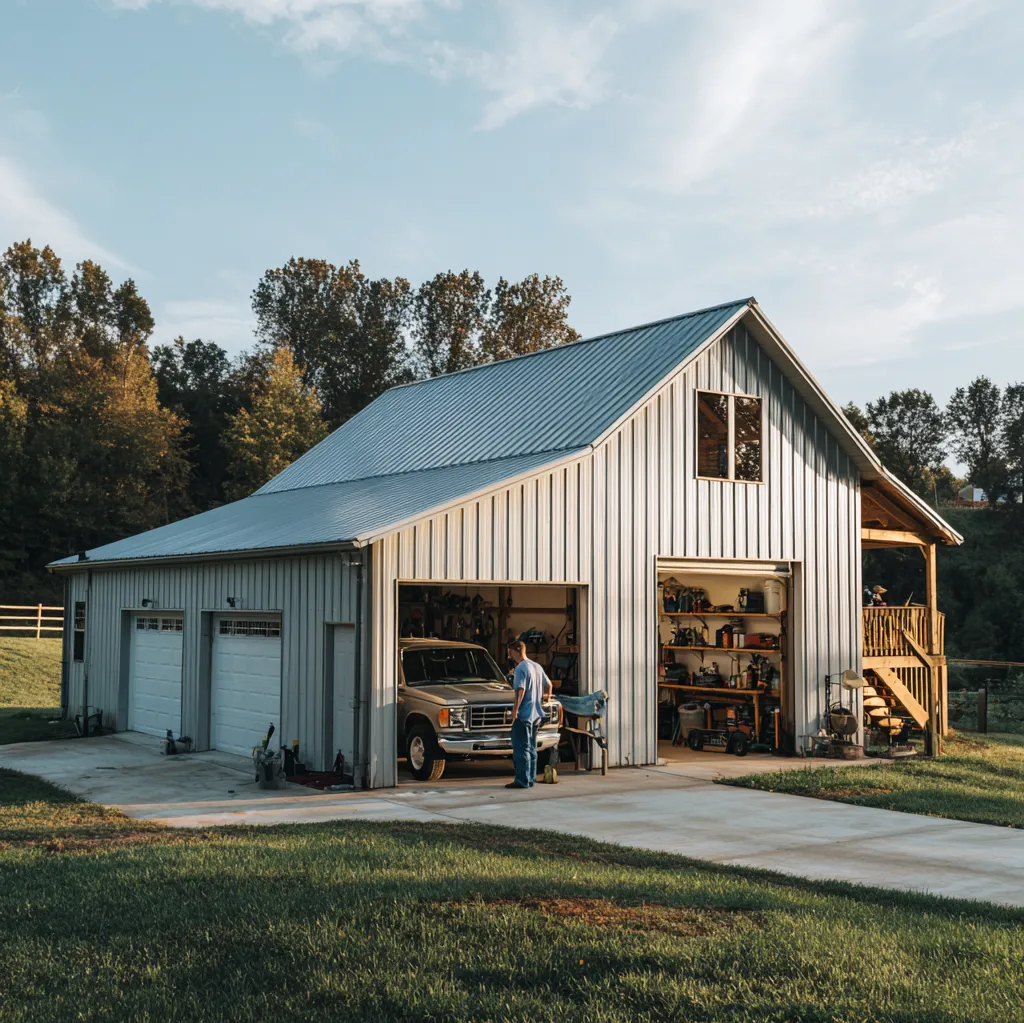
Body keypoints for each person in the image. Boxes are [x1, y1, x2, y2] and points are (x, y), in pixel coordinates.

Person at [505, 640, 551, 789]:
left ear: (514, 651)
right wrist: (546, 699)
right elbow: (549, 685)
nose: (509, 654)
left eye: (509, 651)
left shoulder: (520, 668)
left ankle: (522, 780)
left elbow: (520, 690)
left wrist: (515, 710)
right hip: (536, 714)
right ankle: (530, 778)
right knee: (531, 748)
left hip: (523, 714)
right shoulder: (536, 666)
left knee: (521, 748)